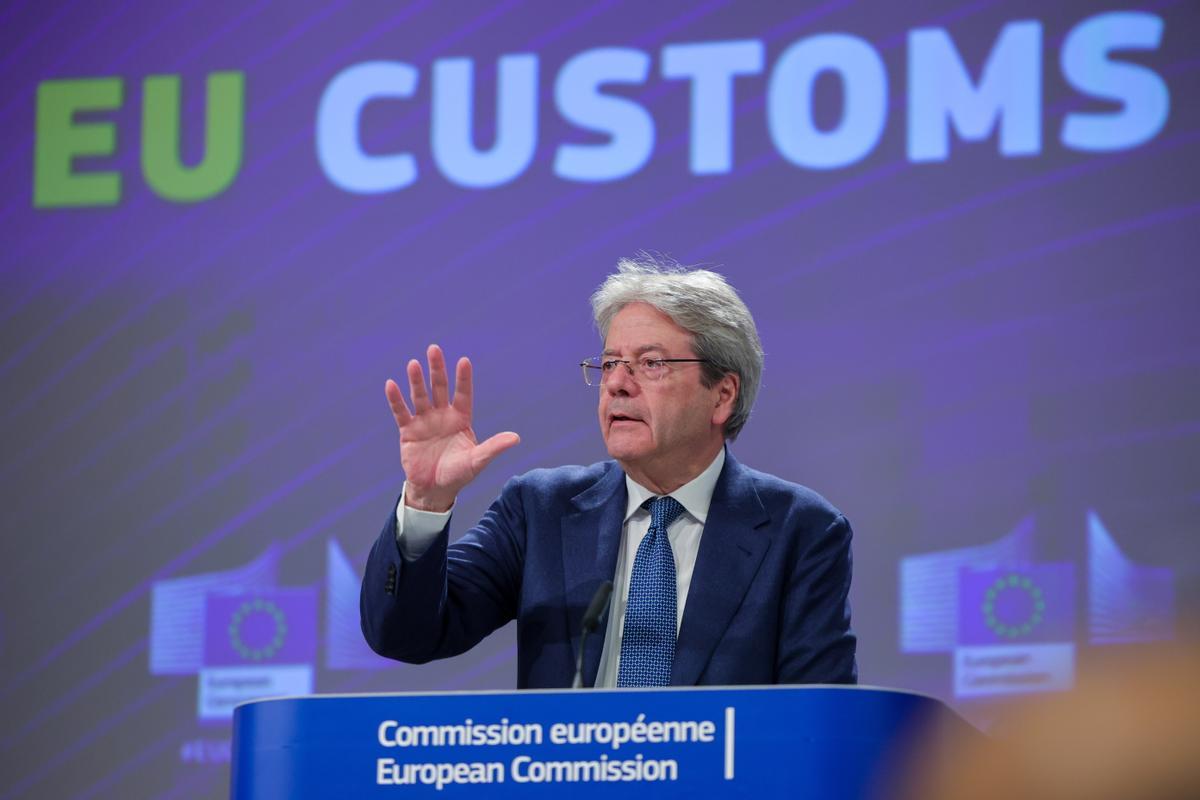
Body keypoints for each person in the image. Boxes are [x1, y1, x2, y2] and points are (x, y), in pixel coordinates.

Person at [360, 256, 856, 688]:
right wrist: (425, 501)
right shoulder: (539, 510)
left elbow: (818, 721)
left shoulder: (801, 531)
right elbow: (404, 635)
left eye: (651, 364)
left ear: (722, 395)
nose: (617, 383)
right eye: (610, 363)